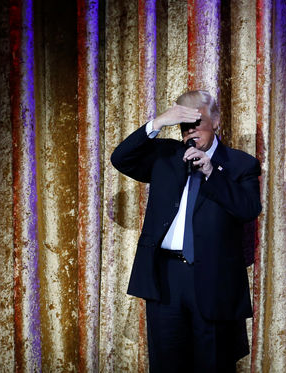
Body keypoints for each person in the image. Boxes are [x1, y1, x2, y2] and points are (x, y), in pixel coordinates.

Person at [111, 90, 262, 372]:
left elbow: (248, 208)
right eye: (184, 123)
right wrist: (157, 123)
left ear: (215, 121)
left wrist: (211, 172)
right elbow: (121, 158)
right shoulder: (167, 156)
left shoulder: (240, 164)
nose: (191, 130)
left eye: (197, 121)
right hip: (166, 279)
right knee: (167, 363)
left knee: (213, 364)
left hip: (213, 281)